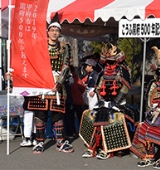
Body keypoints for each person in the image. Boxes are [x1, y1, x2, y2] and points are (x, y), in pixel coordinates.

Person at [80, 33, 138, 160]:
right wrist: (101, 101)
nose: (108, 63)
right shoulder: (103, 71)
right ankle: (93, 146)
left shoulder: (122, 70)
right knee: (93, 116)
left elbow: (125, 87)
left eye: (111, 61)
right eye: (107, 61)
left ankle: (108, 149)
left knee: (113, 120)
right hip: (104, 101)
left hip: (119, 103)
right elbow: (99, 86)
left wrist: (116, 102)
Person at [27, 13, 74, 154]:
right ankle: (39, 142)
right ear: (48, 31)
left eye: (57, 30)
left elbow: (66, 66)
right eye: (52, 30)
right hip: (41, 85)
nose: (54, 33)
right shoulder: (39, 46)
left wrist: (58, 84)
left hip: (57, 86)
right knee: (40, 115)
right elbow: (33, 64)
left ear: (59, 32)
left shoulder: (65, 47)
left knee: (57, 115)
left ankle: (60, 142)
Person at [64, 65, 85, 139]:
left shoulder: (66, 79)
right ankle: (83, 133)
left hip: (71, 100)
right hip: (78, 100)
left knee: (70, 118)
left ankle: (70, 133)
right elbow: (82, 88)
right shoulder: (76, 78)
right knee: (80, 118)